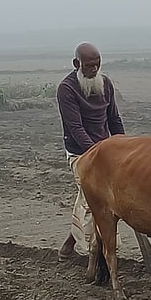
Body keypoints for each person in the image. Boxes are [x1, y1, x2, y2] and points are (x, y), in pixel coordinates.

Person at [56, 42, 125, 259]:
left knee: (97, 197)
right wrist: (98, 155)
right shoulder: (66, 89)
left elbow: (114, 119)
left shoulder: (105, 84)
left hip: (106, 151)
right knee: (92, 199)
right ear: (77, 64)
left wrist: (125, 147)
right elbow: (76, 128)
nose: (94, 69)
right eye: (89, 65)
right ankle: (94, 252)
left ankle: (68, 246)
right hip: (81, 153)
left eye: (97, 64)